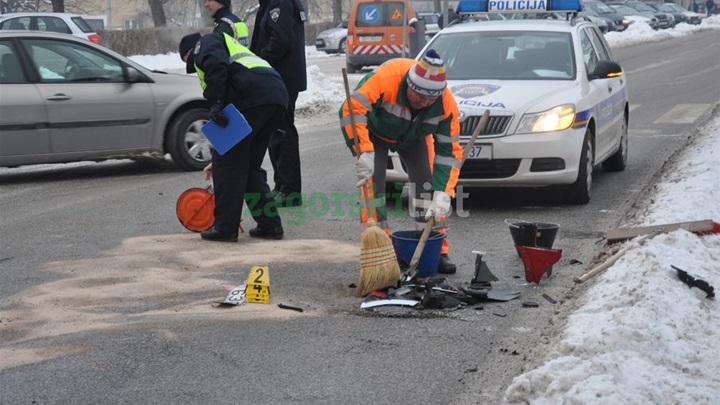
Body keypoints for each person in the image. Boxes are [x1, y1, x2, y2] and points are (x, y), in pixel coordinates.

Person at [339, 50, 464, 274]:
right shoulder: (387, 78)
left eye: (430, 99)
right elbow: (351, 109)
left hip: (414, 137)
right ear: (409, 85)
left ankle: (434, 249)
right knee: (372, 185)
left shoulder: (445, 104)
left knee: (427, 185)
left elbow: (449, 152)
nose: (425, 103)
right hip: (375, 132)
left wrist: (444, 192)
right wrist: (363, 151)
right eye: (420, 97)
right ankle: (381, 251)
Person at [178, 31, 287, 242]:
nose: (192, 65)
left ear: (191, 51)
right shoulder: (227, 43)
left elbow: (214, 63)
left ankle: (225, 228)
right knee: (248, 167)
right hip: (273, 96)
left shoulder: (205, 43)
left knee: (228, 164)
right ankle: (270, 225)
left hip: (251, 97)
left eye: (189, 61)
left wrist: (216, 102)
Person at [250, 0, 307, 207]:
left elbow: (279, 41)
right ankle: (282, 185)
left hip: (281, 78)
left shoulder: (280, 2)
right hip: (281, 78)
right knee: (277, 133)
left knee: (283, 134)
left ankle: (290, 190)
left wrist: (258, 63)